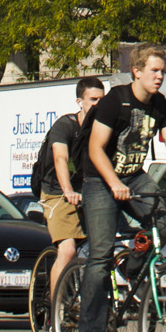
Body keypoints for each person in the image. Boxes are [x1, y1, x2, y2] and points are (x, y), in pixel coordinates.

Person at [76, 45, 166, 332]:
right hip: (100, 180)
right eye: (154, 70)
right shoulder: (114, 101)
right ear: (137, 71)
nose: (160, 77)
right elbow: (95, 148)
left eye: (163, 71)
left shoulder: (160, 105)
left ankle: (131, 267)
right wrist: (114, 183)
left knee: (162, 224)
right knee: (100, 253)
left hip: (134, 177)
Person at [36, 76, 106, 310]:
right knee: (67, 250)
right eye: (93, 99)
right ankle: (58, 311)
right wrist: (67, 190)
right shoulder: (65, 126)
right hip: (57, 192)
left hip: (89, 191)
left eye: (101, 100)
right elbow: (60, 158)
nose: (97, 104)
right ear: (80, 101)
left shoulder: (103, 129)